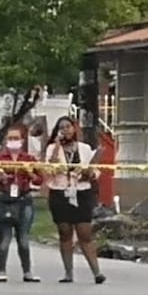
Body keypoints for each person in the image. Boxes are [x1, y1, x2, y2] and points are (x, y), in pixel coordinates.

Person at [43, 117, 105, 284]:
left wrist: (90, 173)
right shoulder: (51, 148)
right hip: (60, 192)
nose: (65, 130)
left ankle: (96, 272)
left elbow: (96, 170)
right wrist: (57, 145)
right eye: (61, 127)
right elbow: (51, 168)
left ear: (74, 129)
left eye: (68, 127)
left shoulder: (84, 148)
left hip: (81, 192)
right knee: (65, 232)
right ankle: (68, 272)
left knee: (85, 232)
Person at [0, 124, 42, 283]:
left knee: (23, 238)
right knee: (4, 238)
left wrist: (30, 173)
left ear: (22, 140)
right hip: (4, 199)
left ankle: (27, 271)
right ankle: (2, 271)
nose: (13, 141)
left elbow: (39, 179)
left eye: (16, 138)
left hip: (24, 200)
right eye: (10, 138)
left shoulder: (29, 159)